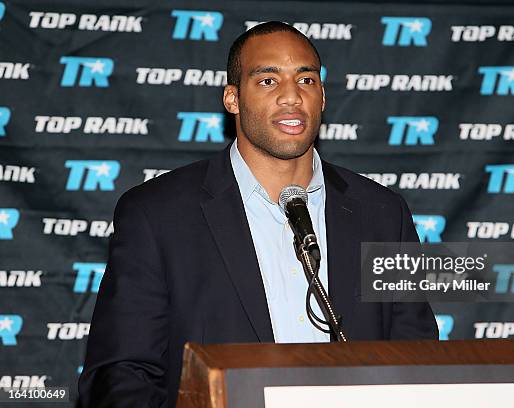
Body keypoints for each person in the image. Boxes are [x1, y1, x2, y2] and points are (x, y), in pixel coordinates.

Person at [78, 21, 438, 408]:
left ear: (323, 98)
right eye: (268, 81)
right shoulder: (156, 214)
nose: (291, 97)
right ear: (232, 99)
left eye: (306, 80)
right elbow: (120, 376)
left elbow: (416, 360)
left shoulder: (384, 213)